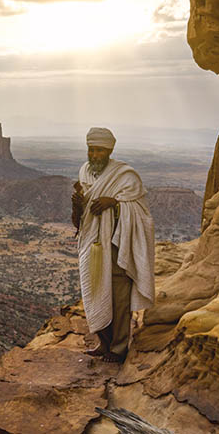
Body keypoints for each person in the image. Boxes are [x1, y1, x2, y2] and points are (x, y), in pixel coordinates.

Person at [70, 127, 154, 362]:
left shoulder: (126, 176)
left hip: (118, 246)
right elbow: (80, 219)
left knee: (119, 300)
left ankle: (118, 349)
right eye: (91, 150)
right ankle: (103, 343)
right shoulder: (85, 172)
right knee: (95, 292)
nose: (94, 155)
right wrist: (77, 204)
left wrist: (114, 204)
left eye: (99, 150)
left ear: (109, 150)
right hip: (93, 244)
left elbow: (141, 215)